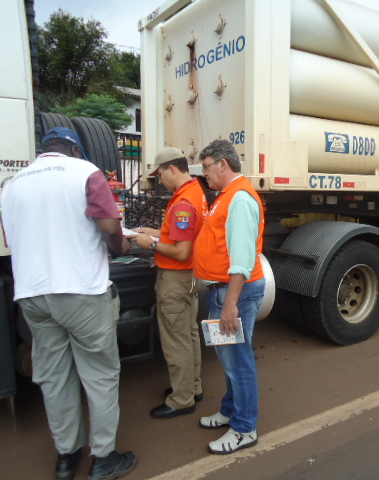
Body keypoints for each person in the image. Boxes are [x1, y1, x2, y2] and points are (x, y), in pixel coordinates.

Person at [0, 127, 137, 480]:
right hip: (81, 291)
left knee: (55, 378)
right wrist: (120, 247)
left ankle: (67, 456)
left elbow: (10, 239)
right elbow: (109, 226)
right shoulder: (84, 172)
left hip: (32, 294)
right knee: (100, 374)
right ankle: (103, 458)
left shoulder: (13, 183)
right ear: (74, 149)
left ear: (44, 150)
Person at [193, 139, 266, 455]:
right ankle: (230, 409)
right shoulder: (228, 196)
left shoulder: (239, 199)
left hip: (232, 293)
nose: (204, 174)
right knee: (230, 358)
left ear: (223, 164)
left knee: (238, 360)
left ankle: (244, 428)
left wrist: (231, 303)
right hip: (224, 292)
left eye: (207, 167)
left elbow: (241, 259)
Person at [129, 147, 207, 419]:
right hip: (190, 276)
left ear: (172, 169)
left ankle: (182, 399)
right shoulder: (194, 193)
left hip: (176, 277)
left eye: (160, 173)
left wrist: (149, 243)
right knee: (188, 333)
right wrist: (155, 232)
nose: (159, 180)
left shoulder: (183, 202)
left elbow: (181, 251)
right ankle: (192, 388)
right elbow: (179, 236)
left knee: (176, 340)